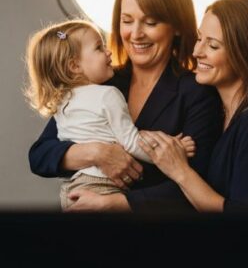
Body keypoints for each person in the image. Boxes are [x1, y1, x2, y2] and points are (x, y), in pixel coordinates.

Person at [28, 0, 222, 211]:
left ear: (176, 26)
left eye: (150, 22)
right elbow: (40, 155)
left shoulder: (197, 93)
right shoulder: (100, 80)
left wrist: (116, 203)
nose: (136, 34)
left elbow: (199, 185)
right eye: (127, 21)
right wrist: (97, 153)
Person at [139, 0, 248, 212]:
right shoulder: (222, 115)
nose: (197, 52)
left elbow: (246, 223)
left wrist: (180, 170)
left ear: (245, 53)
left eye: (213, 46)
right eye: (200, 39)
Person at [24, 19, 196, 210]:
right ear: (74, 66)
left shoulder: (63, 101)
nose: (108, 52)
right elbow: (39, 155)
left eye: (150, 22)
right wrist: (173, 149)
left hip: (73, 190)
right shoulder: (108, 92)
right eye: (99, 48)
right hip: (101, 187)